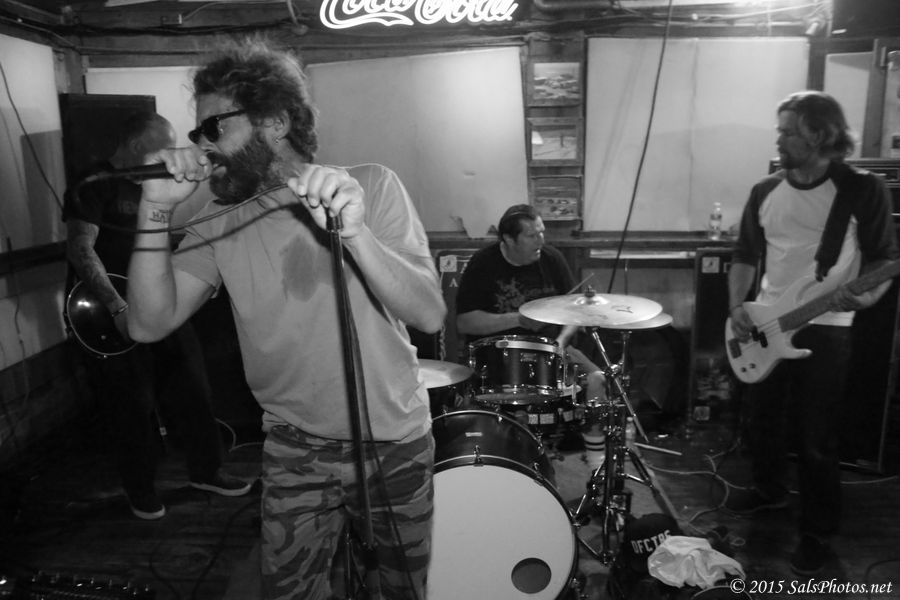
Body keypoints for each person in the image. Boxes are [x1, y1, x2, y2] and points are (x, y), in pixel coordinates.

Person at [124, 40, 446, 600]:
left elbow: (428, 312)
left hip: (392, 443)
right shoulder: (217, 219)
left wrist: (355, 233)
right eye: (197, 132)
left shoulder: (369, 185)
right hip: (294, 448)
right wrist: (156, 207)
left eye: (214, 126)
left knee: (399, 591)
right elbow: (146, 325)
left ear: (275, 121)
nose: (202, 145)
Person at [726, 91, 898, 575]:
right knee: (762, 418)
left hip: (827, 324)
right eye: (780, 130)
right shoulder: (765, 190)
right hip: (766, 321)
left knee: (816, 433)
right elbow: (745, 254)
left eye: (788, 132)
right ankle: (768, 490)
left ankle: (818, 530)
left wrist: (867, 297)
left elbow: (884, 259)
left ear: (820, 135)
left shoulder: (861, 189)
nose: (779, 140)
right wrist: (737, 306)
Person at [63, 111, 251, 520]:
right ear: (136, 146)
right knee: (130, 404)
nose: (171, 152)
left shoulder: (157, 186)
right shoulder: (96, 181)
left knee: (193, 386)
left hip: (157, 301)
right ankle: (141, 490)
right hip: (110, 311)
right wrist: (117, 305)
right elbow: (80, 248)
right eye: (162, 144)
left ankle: (207, 471)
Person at [456, 204, 606, 403]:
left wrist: (561, 342)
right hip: (501, 356)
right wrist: (518, 319)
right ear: (509, 239)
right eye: (532, 236)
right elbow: (464, 323)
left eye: (542, 232)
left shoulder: (552, 259)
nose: (541, 241)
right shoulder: (483, 264)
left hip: (553, 350)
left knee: (599, 380)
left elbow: (574, 310)